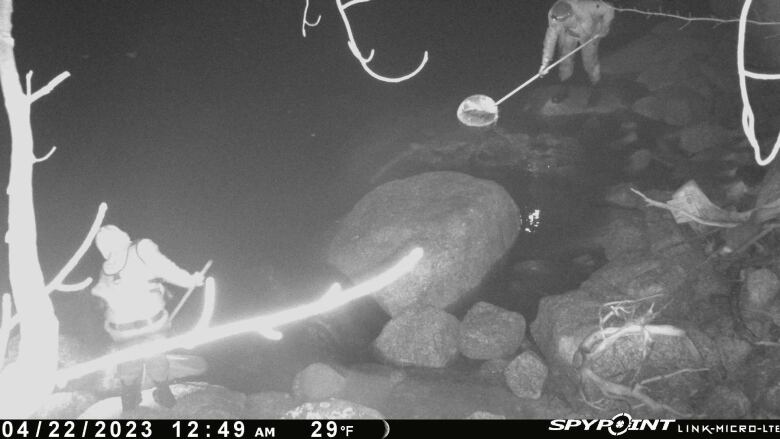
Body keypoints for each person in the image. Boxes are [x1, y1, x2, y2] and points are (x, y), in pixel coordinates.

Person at [91, 225, 204, 411]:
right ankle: (164, 395)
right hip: (151, 322)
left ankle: (129, 398)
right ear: (122, 235)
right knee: (156, 355)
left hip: (120, 328)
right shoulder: (141, 248)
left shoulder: (106, 268)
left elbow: (100, 297)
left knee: (128, 360)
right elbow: (167, 270)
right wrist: (191, 280)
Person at [538, 0, 615, 102]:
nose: (563, 24)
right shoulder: (554, 17)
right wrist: (545, 62)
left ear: (571, 14)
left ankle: (596, 86)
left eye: (566, 21)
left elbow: (609, 8)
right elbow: (550, 38)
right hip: (569, 34)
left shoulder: (587, 6)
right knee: (564, 59)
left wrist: (605, 27)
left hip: (590, 34)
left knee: (590, 62)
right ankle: (564, 87)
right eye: (562, 22)